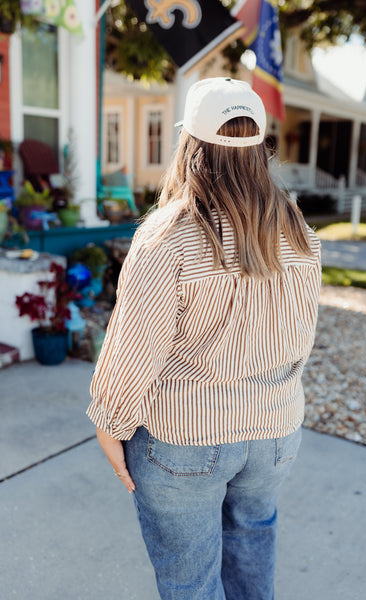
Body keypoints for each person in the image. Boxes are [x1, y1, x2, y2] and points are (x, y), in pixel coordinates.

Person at [87, 77, 321, 600]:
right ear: (260, 146)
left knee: (190, 584)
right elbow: (299, 332)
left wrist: (109, 421)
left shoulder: (169, 233)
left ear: (188, 143)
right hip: (275, 433)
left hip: (186, 439)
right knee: (253, 564)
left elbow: (133, 348)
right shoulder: (296, 227)